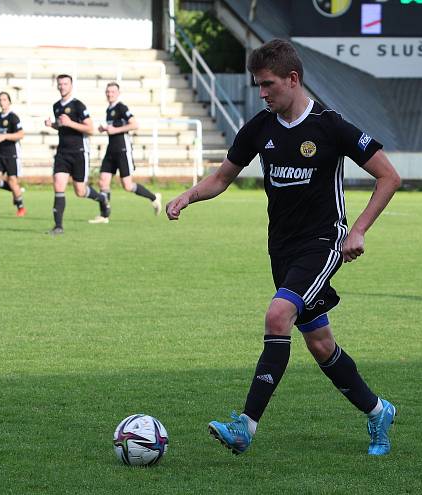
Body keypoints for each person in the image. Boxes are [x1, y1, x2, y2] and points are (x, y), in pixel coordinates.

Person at [166, 39, 402, 456]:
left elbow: (389, 176)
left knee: (278, 315)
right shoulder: (260, 128)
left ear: (293, 80)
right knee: (320, 344)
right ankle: (378, 410)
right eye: (258, 85)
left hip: (323, 242)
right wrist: (188, 196)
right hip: (282, 251)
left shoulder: (330, 126)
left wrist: (358, 230)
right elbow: (222, 178)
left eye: (268, 84)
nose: (262, 93)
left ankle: (245, 427)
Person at [89, 82, 162, 224]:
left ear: (118, 93)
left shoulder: (121, 107)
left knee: (127, 186)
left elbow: (134, 124)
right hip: (111, 150)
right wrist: (105, 129)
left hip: (122, 150)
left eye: (112, 91)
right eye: (108, 91)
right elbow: (113, 127)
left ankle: (154, 198)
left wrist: (114, 130)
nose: (110, 94)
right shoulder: (108, 110)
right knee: (103, 181)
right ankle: (104, 215)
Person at [44, 74, 107, 235]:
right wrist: (53, 125)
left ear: (71, 86)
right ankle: (58, 227)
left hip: (79, 152)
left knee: (80, 191)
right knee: (58, 185)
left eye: (65, 84)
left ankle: (101, 198)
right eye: (60, 84)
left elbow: (90, 128)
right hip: (62, 153)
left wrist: (69, 122)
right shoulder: (56, 106)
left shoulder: (78, 105)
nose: (62, 86)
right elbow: (62, 127)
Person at [0, 91, 25, 216]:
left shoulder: (13, 117)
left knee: (13, 181)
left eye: (4, 99)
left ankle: (21, 208)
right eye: (0, 100)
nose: (2, 102)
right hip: (1, 154)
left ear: (9, 101)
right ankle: (16, 190)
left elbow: (21, 134)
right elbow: (0, 130)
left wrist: (5, 137)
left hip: (12, 154)